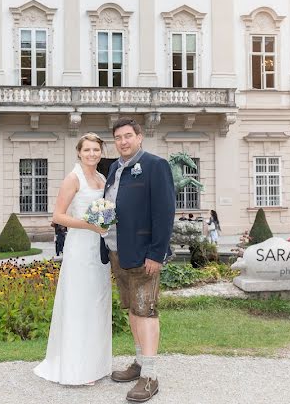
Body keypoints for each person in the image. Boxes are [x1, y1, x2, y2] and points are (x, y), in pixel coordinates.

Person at [100, 118, 175, 403]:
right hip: (118, 250)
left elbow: (165, 212)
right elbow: (109, 208)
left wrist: (157, 253)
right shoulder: (115, 169)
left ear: (140, 137)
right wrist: (96, 225)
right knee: (132, 309)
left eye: (128, 136)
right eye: (118, 137)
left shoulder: (156, 166)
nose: (123, 141)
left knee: (146, 311)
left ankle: (151, 376)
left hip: (144, 254)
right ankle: (139, 362)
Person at [34, 133, 112, 385]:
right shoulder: (73, 178)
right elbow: (58, 216)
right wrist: (89, 226)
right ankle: (77, 368)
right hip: (80, 246)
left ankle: (96, 364)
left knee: (97, 303)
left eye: (96, 150)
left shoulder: (101, 178)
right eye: (87, 150)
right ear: (79, 152)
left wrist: (106, 224)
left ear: (101, 152)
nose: (92, 154)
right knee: (80, 303)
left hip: (99, 247)